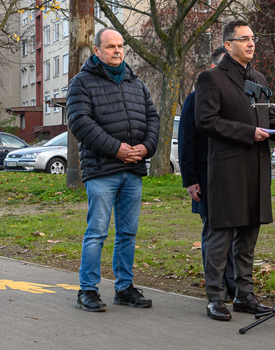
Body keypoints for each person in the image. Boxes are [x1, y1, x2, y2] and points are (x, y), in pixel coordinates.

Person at [195, 20, 275, 321]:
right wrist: (248, 132)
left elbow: (263, 118)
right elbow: (206, 121)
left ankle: (244, 295)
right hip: (227, 168)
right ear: (228, 45)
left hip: (257, 165)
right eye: (244, 39)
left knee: (249, 234)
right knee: (221, 235)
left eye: (253, 39)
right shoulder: (211, 78)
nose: (251, 43)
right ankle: (215, 297)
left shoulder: (258, 78)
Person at [66, 27, 160, 312]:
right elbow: (80, 123)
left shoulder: (135, 82)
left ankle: (124, 288)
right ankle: (88, 291)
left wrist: (146, 148)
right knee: (97, 232)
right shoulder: (82, 82)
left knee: (128, 233)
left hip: (133, 170)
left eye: (121, 46)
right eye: (110, 47)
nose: (118, 51)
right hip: (102, 171)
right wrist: (116, 149)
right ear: (97, 51)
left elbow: (153, 117)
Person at [177, 46, 237, 300]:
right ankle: (217, 286)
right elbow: (186, 140)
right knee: (214, 234)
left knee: (233, 235)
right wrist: (190, 180)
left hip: (232, 177)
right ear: (214, 68)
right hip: (206, 178)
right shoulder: (197, 97)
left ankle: (234, 285)